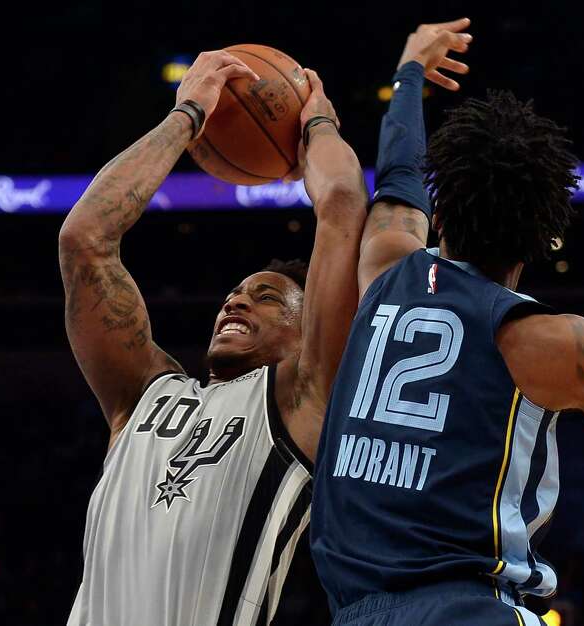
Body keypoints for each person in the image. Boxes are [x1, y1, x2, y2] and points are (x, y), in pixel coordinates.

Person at [310, 18, 584, 626]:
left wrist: (409, 71)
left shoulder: (383, 266)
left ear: (442, 206)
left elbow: (400, 173)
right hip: (469, 611)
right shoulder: (551, 342)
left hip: (351, 611)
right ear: (542, 238)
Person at [58, 50, 368, 626]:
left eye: (267, 296)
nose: (237, 299)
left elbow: (343, 204)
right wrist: (187, 116)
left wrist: (318, 127)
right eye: (235, 292)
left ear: (308, 331)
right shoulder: (143, 395)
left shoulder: (304, 398)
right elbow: (85, 239)